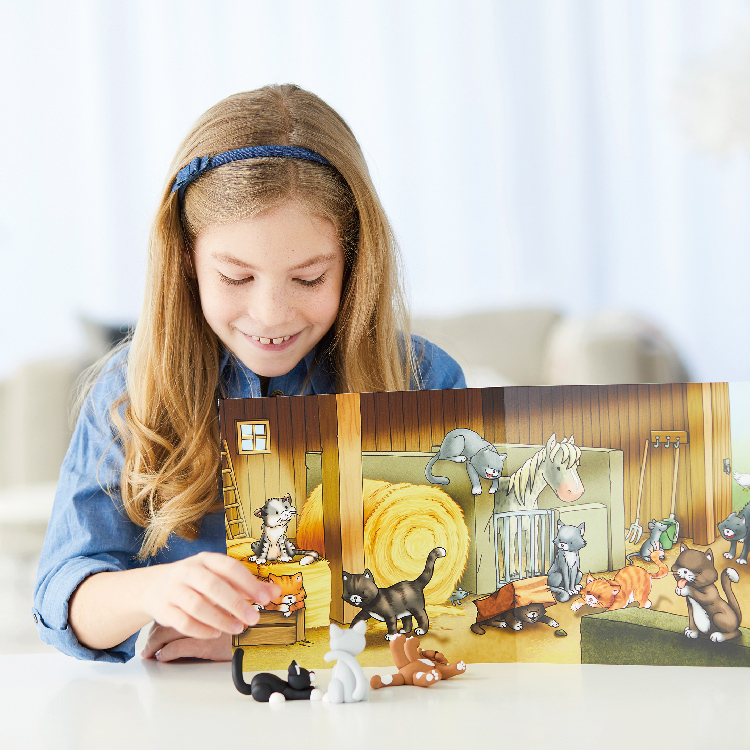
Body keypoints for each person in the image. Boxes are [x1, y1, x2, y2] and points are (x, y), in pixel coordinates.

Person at [33, 84, 466, 664]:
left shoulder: (422, 379)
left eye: (309, 278)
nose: (270, 315)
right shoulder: (130, 392)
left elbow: (458, 598)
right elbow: (64, 596)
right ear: (187, 260)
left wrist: (276, 634)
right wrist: (154, 592)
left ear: (355, 262)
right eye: (236, 278)